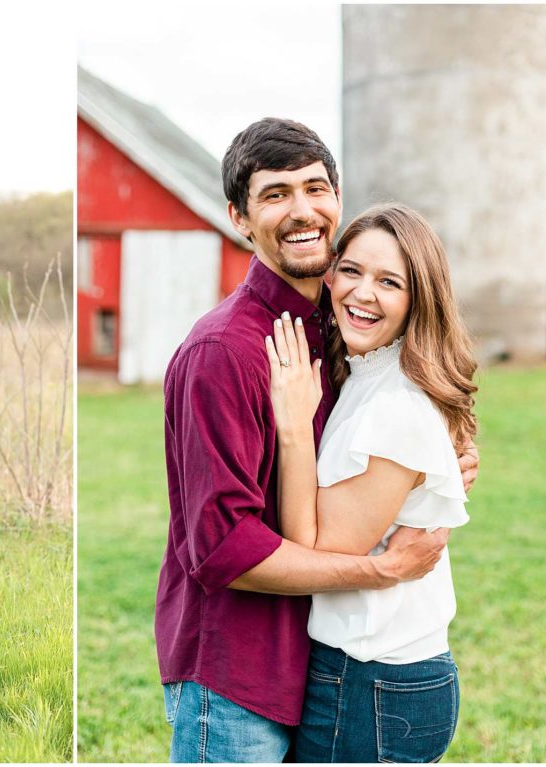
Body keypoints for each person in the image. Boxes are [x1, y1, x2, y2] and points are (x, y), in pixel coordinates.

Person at [156, 118, 480, 763]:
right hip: (237, 675)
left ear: (337, 198)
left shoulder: (336, 331)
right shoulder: (224, 352)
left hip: (320, 666)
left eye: (316, 187)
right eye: (276, 194)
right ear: (239, 218)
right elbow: (222, 550)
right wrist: (379, 570)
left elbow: (400, 421)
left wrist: (431, 467)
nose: (302, 210)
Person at [264, 203, 475, 762]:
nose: (362, 293)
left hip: (373, 681)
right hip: (371, 675)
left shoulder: (395, 405)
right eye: (352, 270)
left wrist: (293, 428)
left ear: (418, 298)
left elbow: (317, 552)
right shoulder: (368, 372)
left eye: (389, 282)